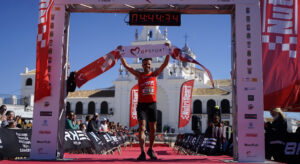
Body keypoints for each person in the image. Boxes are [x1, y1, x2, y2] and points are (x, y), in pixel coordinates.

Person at [120, 53, 170, 160]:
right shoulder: (139, 75)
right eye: (145, 64)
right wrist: (120, 55)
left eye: (148, 64)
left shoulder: (155, 74)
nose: (147, 66)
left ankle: (150, 149)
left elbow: (165, 64)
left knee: (153, 129)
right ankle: (142, 152)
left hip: (152, 104)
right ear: (142, 65)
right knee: (142, 128)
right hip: (142, 105)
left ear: (151, 65)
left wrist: (168, 52)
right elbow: (127, 66)